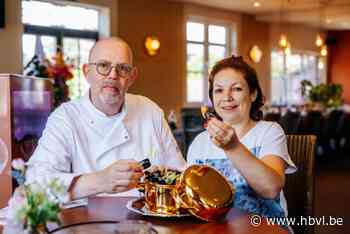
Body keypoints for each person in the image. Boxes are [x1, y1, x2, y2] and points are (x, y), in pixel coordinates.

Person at [27, 37, 186, 200]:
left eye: (123, 68)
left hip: (147, 222)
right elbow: (35, 185)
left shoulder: (149, 111)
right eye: (103, 66)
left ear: (132, 76)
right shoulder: (65, 118)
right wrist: (102, 181)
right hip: (85, 222)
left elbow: (181, 176)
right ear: (86, 72)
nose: (113, 75)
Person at [187, 55, 296, 228]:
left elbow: (270, 189)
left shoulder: (269, 132)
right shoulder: (200, 143)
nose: (227, 97)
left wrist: (233, 147)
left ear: (253, 94)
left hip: (266, 230)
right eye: (218, 90)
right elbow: (192, 200)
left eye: (236, 89)